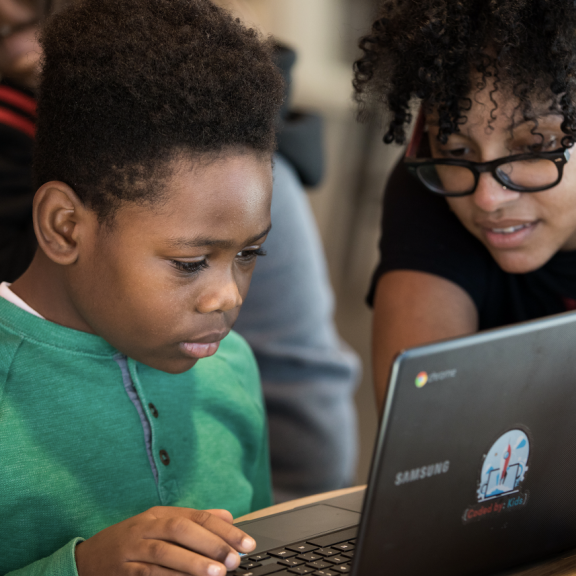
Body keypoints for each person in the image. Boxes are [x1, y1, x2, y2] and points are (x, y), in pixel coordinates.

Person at [0, 0, 361, 502]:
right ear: (64, 227)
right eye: (190, 263)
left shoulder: (231, 366)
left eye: (250, 254)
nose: (227, 297)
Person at [353, 0, 576, 408]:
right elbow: (426, 437)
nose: (487, 198)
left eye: (533, 146)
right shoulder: (432, 186)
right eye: (456, 149)